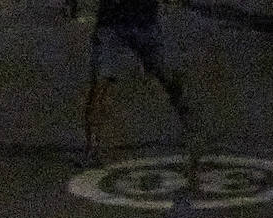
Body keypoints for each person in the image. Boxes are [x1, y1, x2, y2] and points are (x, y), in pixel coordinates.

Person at [82, 0, 196, 167]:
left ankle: (187, 116)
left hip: (144, 22)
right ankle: (92, 147)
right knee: (99, 85)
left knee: (164, 74)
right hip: (111, 24)